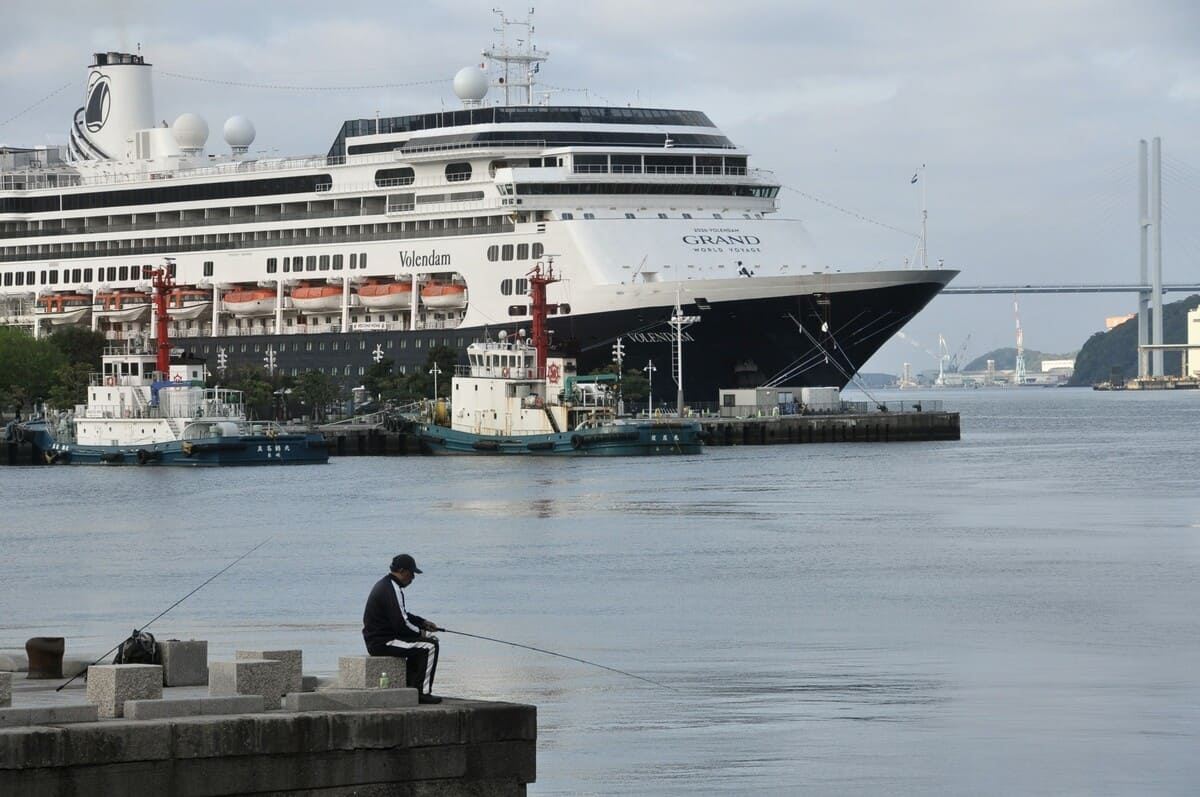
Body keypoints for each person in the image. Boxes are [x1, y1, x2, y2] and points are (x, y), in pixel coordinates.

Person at [362, 553, 442, 704]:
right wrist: (420, 632)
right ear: (402, 571)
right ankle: (422, 693)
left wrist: (422, 622)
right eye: (412, 573)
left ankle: (411, 687)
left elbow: (402, 614)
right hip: (383, 642)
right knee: (430, 645)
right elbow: (401, 623)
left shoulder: (386, 585)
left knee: (421, 643)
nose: (413, 578)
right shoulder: (392, 589)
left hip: (378, 639)